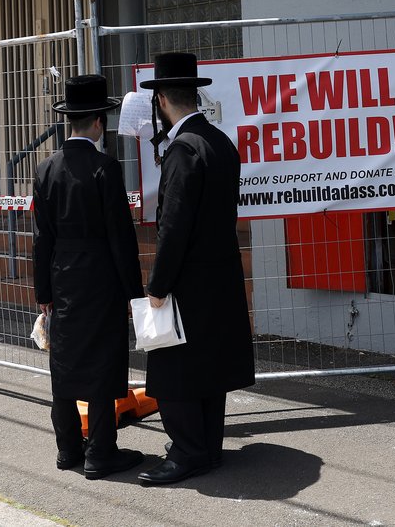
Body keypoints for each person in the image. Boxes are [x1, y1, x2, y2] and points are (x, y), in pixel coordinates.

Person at [136, 53, 255, 485]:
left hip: (189, 276)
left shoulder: (183, 149)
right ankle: (208, 448)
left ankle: (187, 452)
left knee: (176, 369)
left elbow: (174, 225)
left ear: (162, 98)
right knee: (210, 364)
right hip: (221, 271)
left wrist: (159, 284)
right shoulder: (220, 141)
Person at [33, 74, 145, 480]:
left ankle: (68, 449)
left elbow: (41, 239)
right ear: (99, 122)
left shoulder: (45, 170)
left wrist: (42, 291)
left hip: (61, 278)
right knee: (101, 361)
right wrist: (135, 293)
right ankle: (100, 451)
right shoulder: (105, 168)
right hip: (101, 278)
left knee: (63, 360)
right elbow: (121, 237)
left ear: (70, 121)